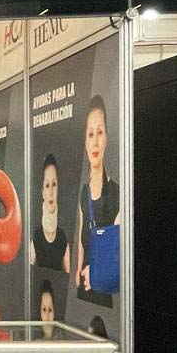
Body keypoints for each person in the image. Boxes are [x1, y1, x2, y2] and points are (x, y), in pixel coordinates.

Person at [75, 96, 120, 307]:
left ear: (107, 137)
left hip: (103, 290)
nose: (94, 142)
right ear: (85, 140)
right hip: (83, 290)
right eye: (90, 134)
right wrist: (78, 269)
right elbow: (82, 237)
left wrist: (95, 272)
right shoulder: (84, 193)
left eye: (100, 132)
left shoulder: (117, 194)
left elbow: (118, 254)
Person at [30, 154, 70, 273]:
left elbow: (68, 278)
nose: (51, 192)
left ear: (58, 189)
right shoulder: (35, 238)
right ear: (43, 192)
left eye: (54, 184)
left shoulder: (63, 239)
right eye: (47, 186)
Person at [26, 280, 57, 353]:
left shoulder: (63, 343)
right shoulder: (35, 345)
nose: (47, 315)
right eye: (44, 310)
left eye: (50, 310)